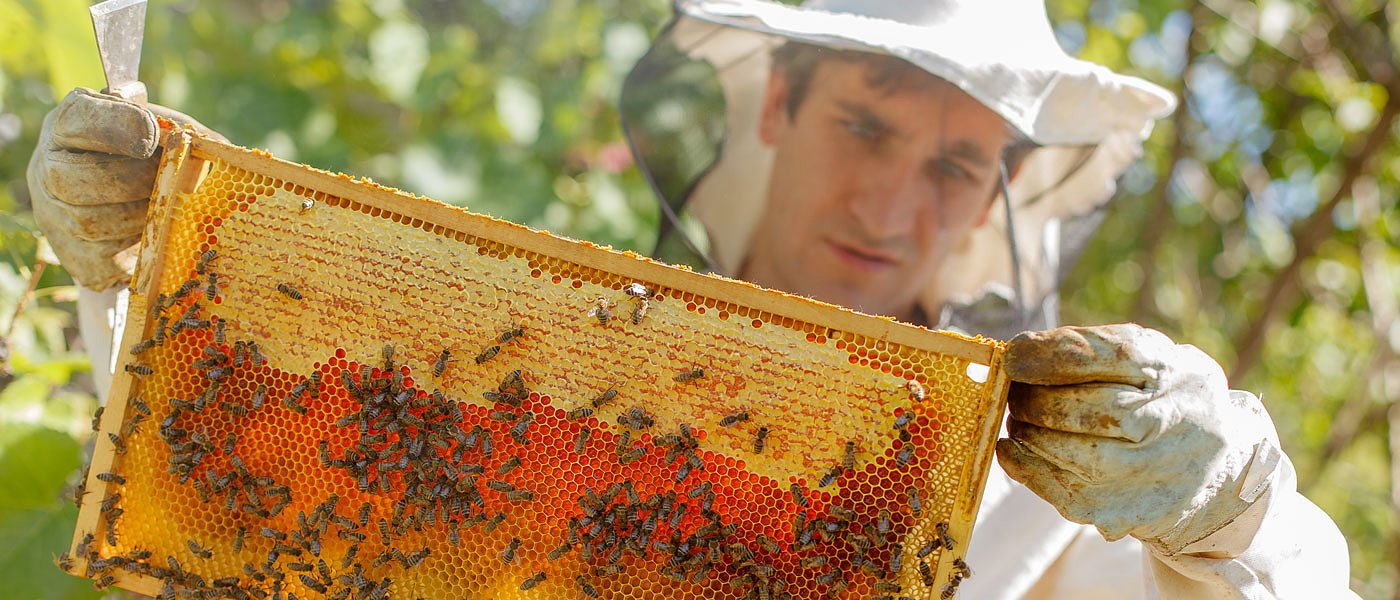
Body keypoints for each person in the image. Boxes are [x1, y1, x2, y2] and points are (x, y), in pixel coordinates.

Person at [27, 0, 1355, 597]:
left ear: (1000, 189)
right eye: (867, 126)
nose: (892, 205)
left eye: (956, 166)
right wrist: (136, 267)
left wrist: (1233, 511)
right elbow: (240, 466)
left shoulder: (1031, 518)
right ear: (777, 104)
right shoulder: (561, 369)